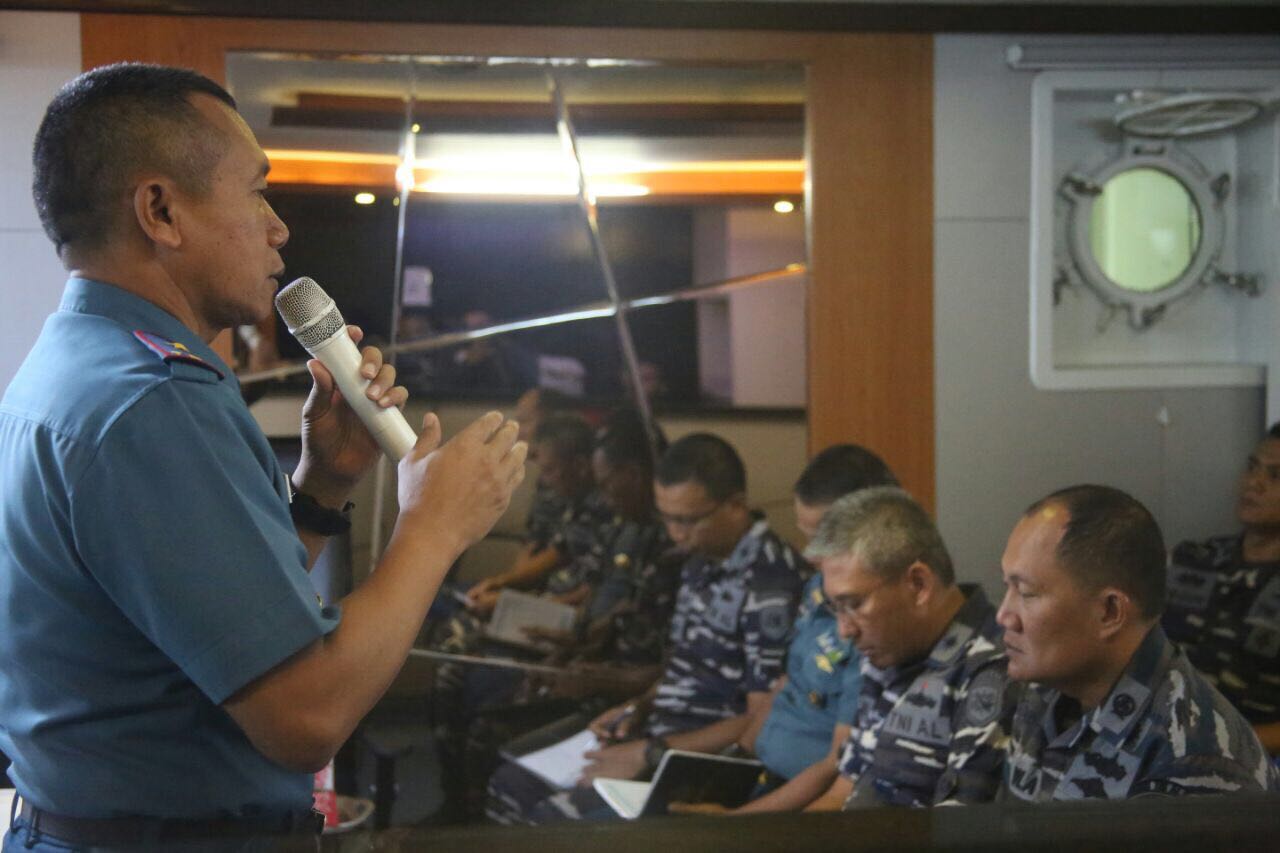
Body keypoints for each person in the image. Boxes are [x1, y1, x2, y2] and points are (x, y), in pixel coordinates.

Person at [0, 63, 525, 850]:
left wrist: (323, 484)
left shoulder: (78, 360)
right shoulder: (156, 401)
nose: (278, 228)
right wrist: (434, 524)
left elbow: (200, 611)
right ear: (161, 210)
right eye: (256, 192)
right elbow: (303, 716)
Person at [485, 433, 809, 824]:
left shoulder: (772, 584)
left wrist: (652, 753)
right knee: (510, 784)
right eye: (667, 517)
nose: (675, 534)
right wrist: (638, 706)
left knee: (551, 819)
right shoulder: (700, 559)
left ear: (736, 505)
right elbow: (683, 668)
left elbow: (763, 719)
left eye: (688, 520)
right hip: (663, 728)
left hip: (704, 754)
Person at [998, 485, 1278, 801]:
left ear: (1109, 612)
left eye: (1026, 593)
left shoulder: (1194, 760)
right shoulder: (1043, 688)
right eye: (1007, 586)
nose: (1003, 616)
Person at [671, 444, 897, 816]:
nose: (809, 554)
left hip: (792, 804)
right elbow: (785, 687)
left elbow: (836, 769)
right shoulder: (816, 589)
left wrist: (736, 821)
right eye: (807, 535)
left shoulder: (870, 625)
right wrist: (731, 764)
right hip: (756, 778)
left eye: (825, 538)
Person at [806, 487, 1014, 811]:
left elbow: (958, 828)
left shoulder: (991, 670)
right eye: (837, 608)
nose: (845, 630)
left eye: (854, 604)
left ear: (918, 585)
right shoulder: (886, 648)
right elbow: (842, 791)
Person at [1162, 422, 1280, 753]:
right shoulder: (1193, 559)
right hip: (1152, 738)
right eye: (1253, 468)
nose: (1253, 483)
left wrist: (1220, 746)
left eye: (1275, 476)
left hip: (1243, 760)